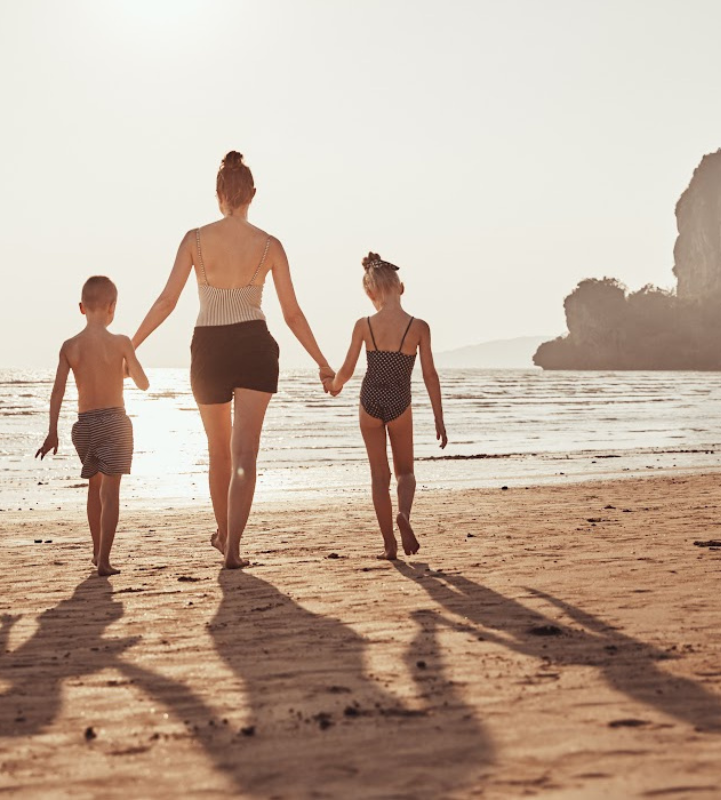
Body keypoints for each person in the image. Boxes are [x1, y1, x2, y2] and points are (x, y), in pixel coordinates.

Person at [132, 151, 333, 569]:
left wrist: (131, 345)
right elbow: (293, 314)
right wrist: (322, 362)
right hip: (255, 346)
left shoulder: (195, 239)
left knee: (219, 452)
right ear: (253, 194)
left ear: (218, 194)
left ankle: (224, 537)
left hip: (209, 349)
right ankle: (235, 548)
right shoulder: (270, 245)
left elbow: (166, 300)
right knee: (245, 456)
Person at [330, 252, 448, 560]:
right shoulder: (419, 327)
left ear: (370, 292)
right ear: (402, 288)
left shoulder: (364, 325)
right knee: (405, 473)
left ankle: (389, 546)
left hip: (369, 400)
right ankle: (404, 515)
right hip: (399, 400)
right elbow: (430, 375)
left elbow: (346, 371)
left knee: (378, 478)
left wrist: (334, 386)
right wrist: (439, 418)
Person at [36, 275, 149, 576]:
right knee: (110, 493)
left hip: (84, 426)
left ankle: (96, 551)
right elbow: (144, 383)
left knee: (94, 488)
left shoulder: (70, 346)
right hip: (114, 422)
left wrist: (52, 431)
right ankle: (104, 561)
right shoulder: (121, 342)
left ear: (81, 308)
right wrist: (124, 369)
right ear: (112, 308)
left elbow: (58, 391)